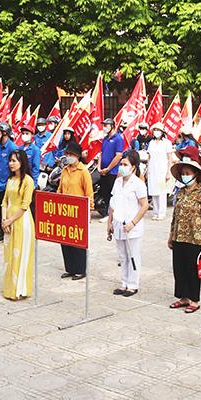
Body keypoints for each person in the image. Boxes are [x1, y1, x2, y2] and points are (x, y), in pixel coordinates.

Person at [168, 147, 201, 313]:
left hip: (195, 237)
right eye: (183, 173)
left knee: (192, 269)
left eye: (187, 172)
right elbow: (175, 215)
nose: (185, 176)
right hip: (179, 236)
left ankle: (194, 299)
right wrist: (171, 234)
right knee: (179, 268)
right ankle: (183, 297)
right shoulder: (180, 192)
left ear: (195, 174)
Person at [107, 150, 149, 297]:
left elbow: (144, 205)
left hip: (132, 227)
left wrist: (133, 223)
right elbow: (113, 203)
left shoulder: (138, 184)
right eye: (121, 164)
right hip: (119, 225)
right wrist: (109, 222)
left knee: (133, 256)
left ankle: (133, 285)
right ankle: (124, 283)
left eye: (125, 164)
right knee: (122, 256)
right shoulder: (118, 182)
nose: (122, 167)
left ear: (133, 167)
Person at [1, 150, 36, 301]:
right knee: (9, 255)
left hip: (22, 222)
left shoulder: (28, 181)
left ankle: (20, 289)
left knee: (20, 254)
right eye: (10, 160)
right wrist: (4, 220)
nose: (11, 163)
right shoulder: (10, 180)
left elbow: (24, 205)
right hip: (8, 221)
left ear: (22, 162)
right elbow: (4, 201)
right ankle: (9, 288)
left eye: (14, 160)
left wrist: (10, 220)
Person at [57, 141, 93, 280]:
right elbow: (60, 188)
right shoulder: (65, 170)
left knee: (78, 241)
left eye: (71, 154)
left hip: (78, 211)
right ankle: (70, 268)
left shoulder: (83, 171)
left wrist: (88, 211)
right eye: (67, 154)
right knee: (65, 240)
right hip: (64, 210)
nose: (68, 157)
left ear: (77, 156)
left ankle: (80, 270)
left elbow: (89, 193)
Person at [0, 122, 16, 243]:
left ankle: (10, 230)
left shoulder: (12, 147)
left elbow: (16, 166)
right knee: (0, 209)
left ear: (5, 133)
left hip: (7, 184)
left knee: (9, 209)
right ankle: (2, 232)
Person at [146, 123, 173, 221]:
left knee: (162, 192)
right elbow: (149, 157)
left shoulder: (167, 143)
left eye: (158, 130)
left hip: (162, 170)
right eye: (155, 130)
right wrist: (147, 169)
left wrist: (168, 172)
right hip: (152, 170)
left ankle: (162, 213)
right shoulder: (151, 142)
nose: (156, 132)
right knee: (153, 191)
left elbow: (170, 158)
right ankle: (155, 212)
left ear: (162, 132)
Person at [97, 118, 125, 211]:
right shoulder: (105, 139)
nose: (104, 128)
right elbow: (101, 153)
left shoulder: (118, 138)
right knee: (105, 192)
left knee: (112, 193)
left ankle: (112, 213)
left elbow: (118, 156)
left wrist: (108, 169)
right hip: (103, 171)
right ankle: (107, 212)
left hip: (112, 172)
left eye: (106, 125)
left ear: (112, 126)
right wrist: (99, 167)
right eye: (103, 125)